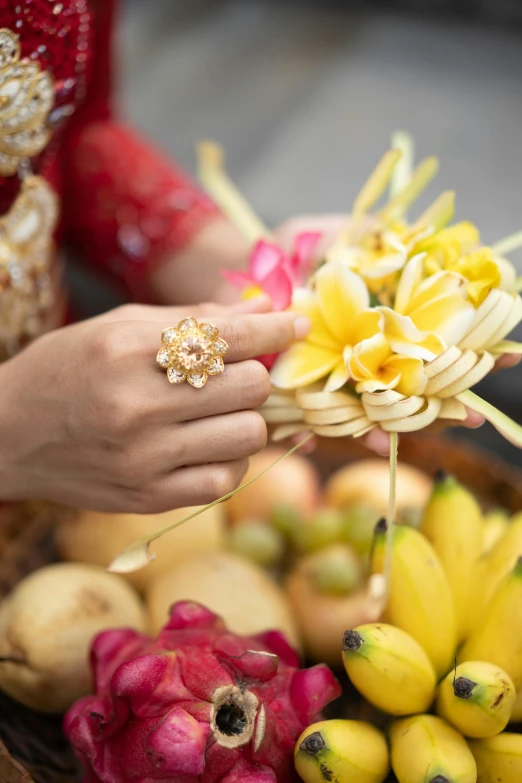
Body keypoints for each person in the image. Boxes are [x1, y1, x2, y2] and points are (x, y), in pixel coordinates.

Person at [0, 0, 499, 516]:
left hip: (89, 430)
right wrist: (12, 430)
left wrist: (236, 270)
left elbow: (68, 124)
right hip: (63, 431)